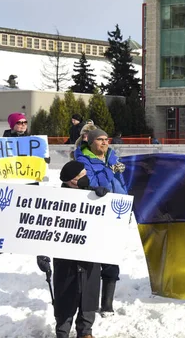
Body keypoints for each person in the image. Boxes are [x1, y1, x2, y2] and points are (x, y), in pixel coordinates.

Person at [37, 160, 110, 338]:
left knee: (89, 294)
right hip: (65, 259)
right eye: (81, 176)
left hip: (90, 256)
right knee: (65, 296)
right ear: (71, 181)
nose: (86, 177)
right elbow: (45, 228)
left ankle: (86, 331)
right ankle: (62, 332)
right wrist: (42, 253)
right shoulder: (56, 200)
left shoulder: (93, 195)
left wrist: (106, 197)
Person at [74, 129, 127, 317]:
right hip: (95, 212)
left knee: (112, 256)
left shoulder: (112, 156)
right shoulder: (83, 159)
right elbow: (93, 182)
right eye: (100, 140)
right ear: (90, 141)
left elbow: (120, 182)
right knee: (93, 259)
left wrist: (125, 198)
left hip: (116, 210)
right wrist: (109, 170)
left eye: (106, 139)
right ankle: (89, 303)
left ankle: (107, 304)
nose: (105, 143)